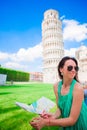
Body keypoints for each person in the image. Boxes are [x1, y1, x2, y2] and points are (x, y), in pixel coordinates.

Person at [30, 56, 87, 130]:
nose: (73, 70)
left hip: (79, 122)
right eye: (70, 68)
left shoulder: (78, 88)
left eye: (76, 68)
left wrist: (46, 122)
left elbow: (72, 120)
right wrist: (53, 116)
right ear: (61, 69)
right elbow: (60, 109)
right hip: (66, 121)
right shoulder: (56, 86)